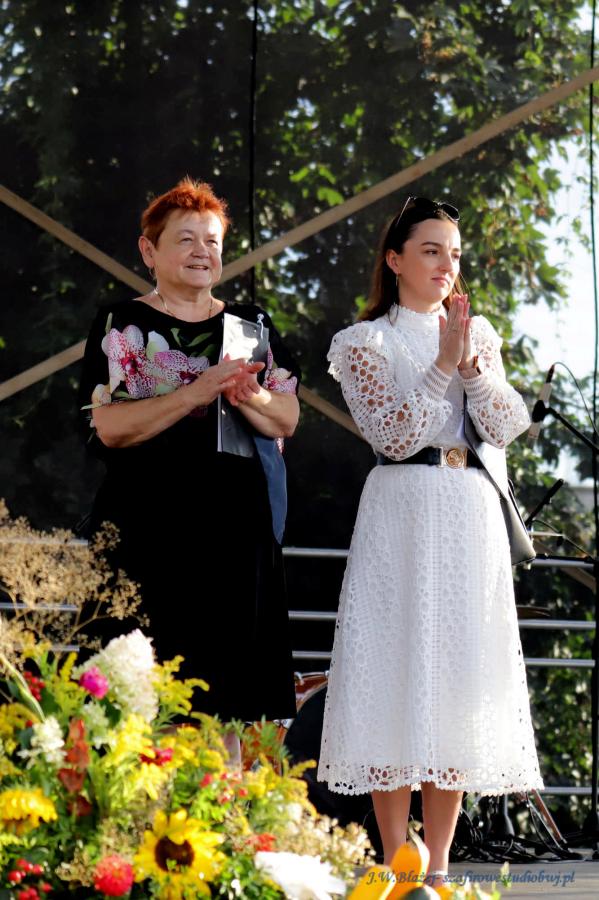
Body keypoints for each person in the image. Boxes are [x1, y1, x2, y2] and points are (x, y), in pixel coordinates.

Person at [317, 196, 542, 882]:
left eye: (454, 253)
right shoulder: (365, 342)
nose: (446, 264)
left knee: (455, 681)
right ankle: (397, 863)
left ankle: (438, 868)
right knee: (391, 671)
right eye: (431, 250)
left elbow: (508, 424)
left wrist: (470, 365)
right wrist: (441, 363)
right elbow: (390, 434)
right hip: (401, 507)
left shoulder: (479, 332)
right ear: (395, 259)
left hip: (469, 511)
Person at [79, 177, 300, 723]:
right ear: (148, 250)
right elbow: (107, 427)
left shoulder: (251, 326)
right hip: (144, 532)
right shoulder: (122, 324)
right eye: (186, 239)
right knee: (133, 703)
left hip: (235, 536)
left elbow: (287, 417)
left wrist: (251, 394)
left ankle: (218, 784)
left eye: (213, 241)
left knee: (225, 708)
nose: (203, 251)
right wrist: (193, 393)